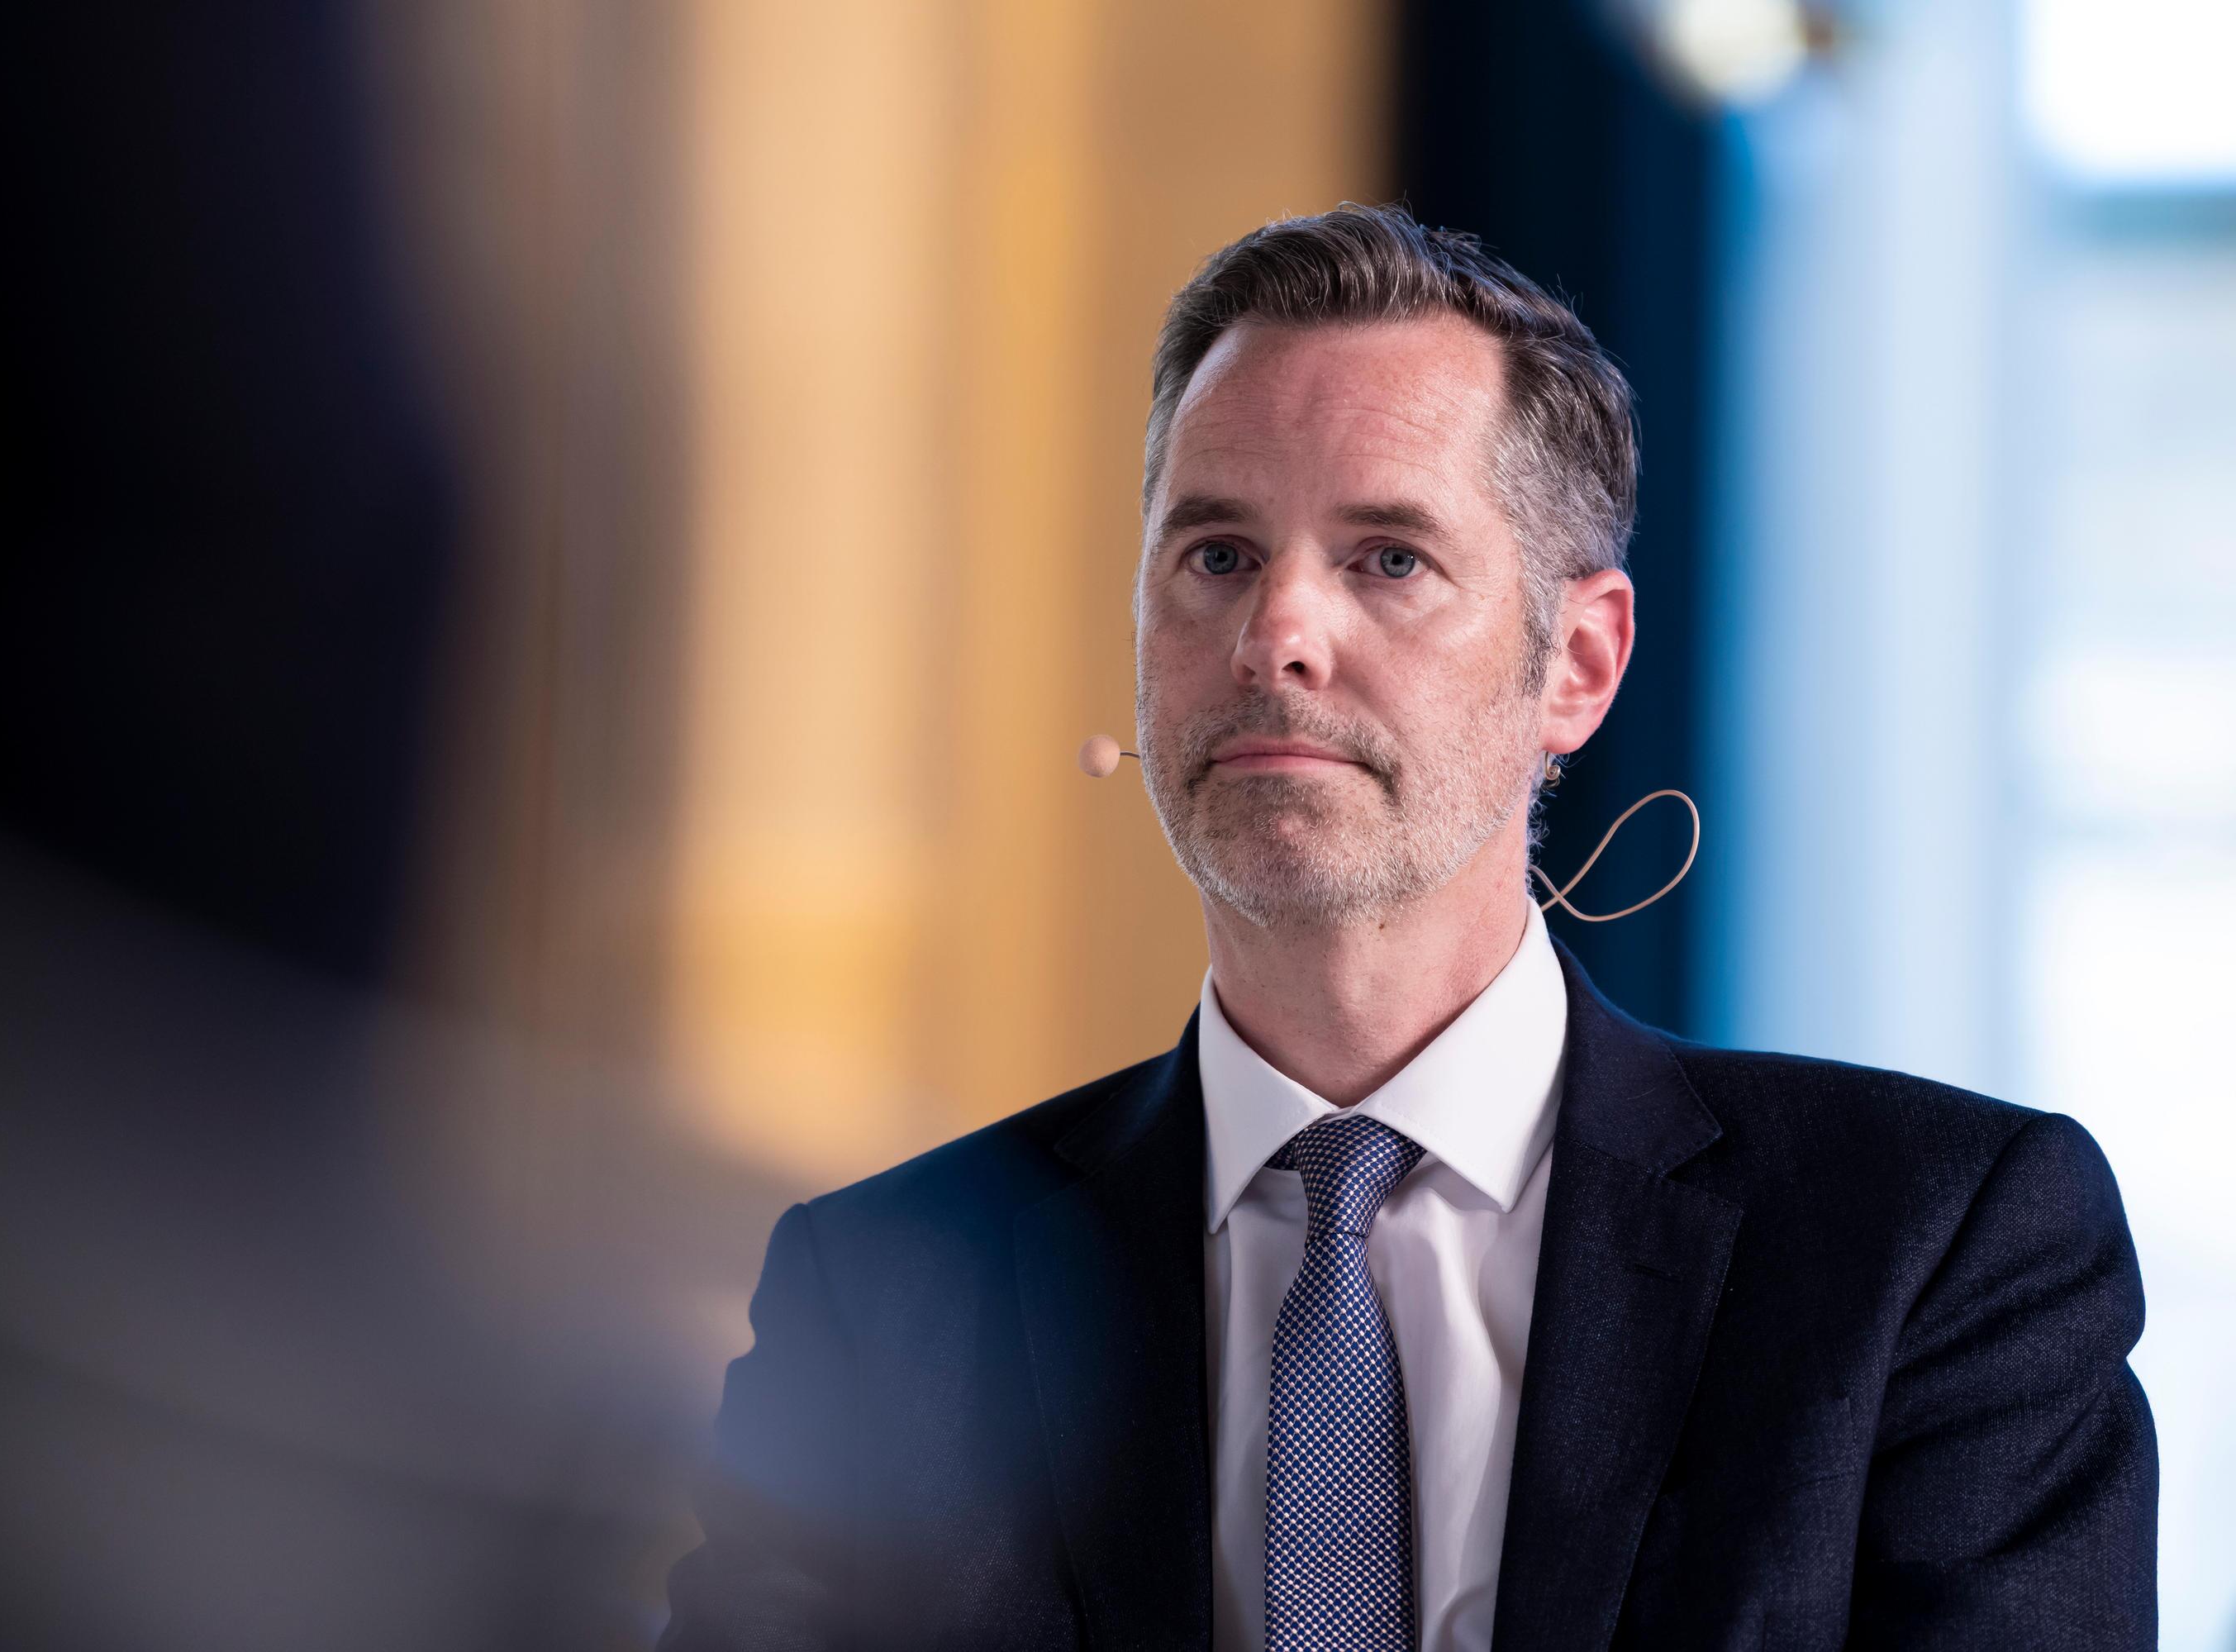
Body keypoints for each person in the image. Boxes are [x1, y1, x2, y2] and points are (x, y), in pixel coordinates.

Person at [658, 204, 2157, 1651]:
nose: (1277, 637)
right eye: (1217, 555)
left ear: (1578, 664)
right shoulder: (883, 1290)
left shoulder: (1934, 1247)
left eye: (1389, 559)